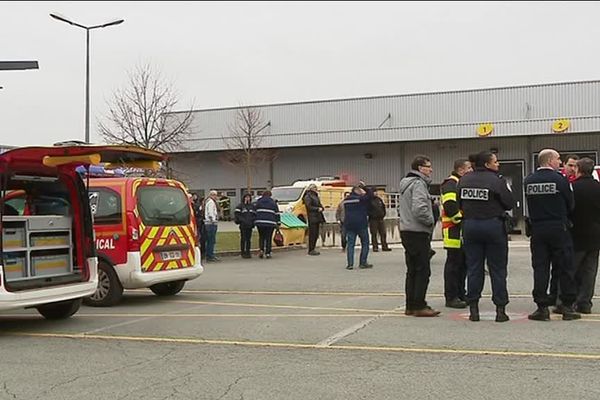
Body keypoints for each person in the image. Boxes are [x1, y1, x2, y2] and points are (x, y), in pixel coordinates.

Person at [457, 151, 514, 322]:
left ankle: (473, 309)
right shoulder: (497, 181)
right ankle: (500, 310)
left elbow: (459, 202)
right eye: (496, 162)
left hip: (470, 226)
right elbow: (509, 203)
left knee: (474, 268)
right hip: (493, 226)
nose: (498, 165)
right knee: (497, 269)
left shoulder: (464, 180)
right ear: (487, 164)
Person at [524, 149, 580, 321]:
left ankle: (541, 307)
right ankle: (567, 306)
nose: (560, 162)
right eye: (557, 159)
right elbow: (570, 204)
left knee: (540, 267)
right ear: (549, 161)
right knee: (565, 266)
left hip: (538, 229)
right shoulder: (560, 180)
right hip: (558, 227)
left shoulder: (529, 181)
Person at [398, 155, 440, 317]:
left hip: (406, 230)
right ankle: (420, 305)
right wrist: (430, 221)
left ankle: (410, 305)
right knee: (423, 270)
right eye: (428, 166)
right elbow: (419, 208)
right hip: (418, 231)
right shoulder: (418, 184)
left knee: (412, 270)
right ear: (420, 168)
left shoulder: (405, 184)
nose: (431, 169)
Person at [440, 158, 472, 309]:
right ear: (461, 170)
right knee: (454, 265)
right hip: (453, 230)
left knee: (462, 265)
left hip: (459, 230)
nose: (471, 171)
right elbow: (450, 205)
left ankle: (460, 293)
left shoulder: (460, 183)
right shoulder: (451, 183)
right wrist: (462, 219)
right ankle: (451, 297)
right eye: (469, 168)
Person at [570, 157, 600, 314]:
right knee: (590, 271)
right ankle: (585, 303)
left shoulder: (573, 187)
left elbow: (568, 209)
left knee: (572, 269)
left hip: (576, 234)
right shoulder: (598, 187)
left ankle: (568, 301)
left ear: (578, 169)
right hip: (595, 235)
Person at [343, 182, 374, 270]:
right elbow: (371, 195)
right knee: (365, 243)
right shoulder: (361, 199)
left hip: (349, 224)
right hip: (361, 224)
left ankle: (350, 264)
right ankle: (363, 263)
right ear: (357, 190)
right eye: (360, 190)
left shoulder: (346, 200)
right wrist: (365, 187)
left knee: (350, 245)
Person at [254, 190, 280, 259]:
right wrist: (278, 223)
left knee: (261, 237)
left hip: (260, 222)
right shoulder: (273, 203)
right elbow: (277, 214)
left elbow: (254, 211)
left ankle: (261, 250)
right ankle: (268, 253)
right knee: (268, 238)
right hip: (270, 223)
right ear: (270, 195)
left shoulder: (258, 202)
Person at [303, 184, 325, 256]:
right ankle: (311, 249)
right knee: (312, 234)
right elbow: (308, 206)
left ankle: (313, 248)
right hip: (312, 217)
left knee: (316, 234)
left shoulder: (315, 196)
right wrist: (317, 209)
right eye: (315, 188)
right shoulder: (308, 196)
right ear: (311, 188)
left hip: (317, 216)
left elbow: (319, 204)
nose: (316, 189)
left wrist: (322, 208)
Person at [234, 193, 256, 259]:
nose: (247, 198)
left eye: (248, 197)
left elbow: (254, 215)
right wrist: (242, 221)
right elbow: (237, 215)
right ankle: (243, 252)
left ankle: (248, 252)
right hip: (243, 225)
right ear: (243, 198)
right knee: (243, 239)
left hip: (250, 225)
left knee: (248, 239)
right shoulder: (240, 206)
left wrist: (252, 222)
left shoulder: (252, 206)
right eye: (246, 197)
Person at [203, 190, 220, 262]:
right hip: (211, 224)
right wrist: (213, 220)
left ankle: (210, 255)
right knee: (211, 240)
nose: (216, 197)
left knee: (210, 240)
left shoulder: (209, 202)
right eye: (214, 195)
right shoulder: (211, 202)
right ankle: (210, 256)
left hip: (209, 223)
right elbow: (210, 213)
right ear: (211, 195)